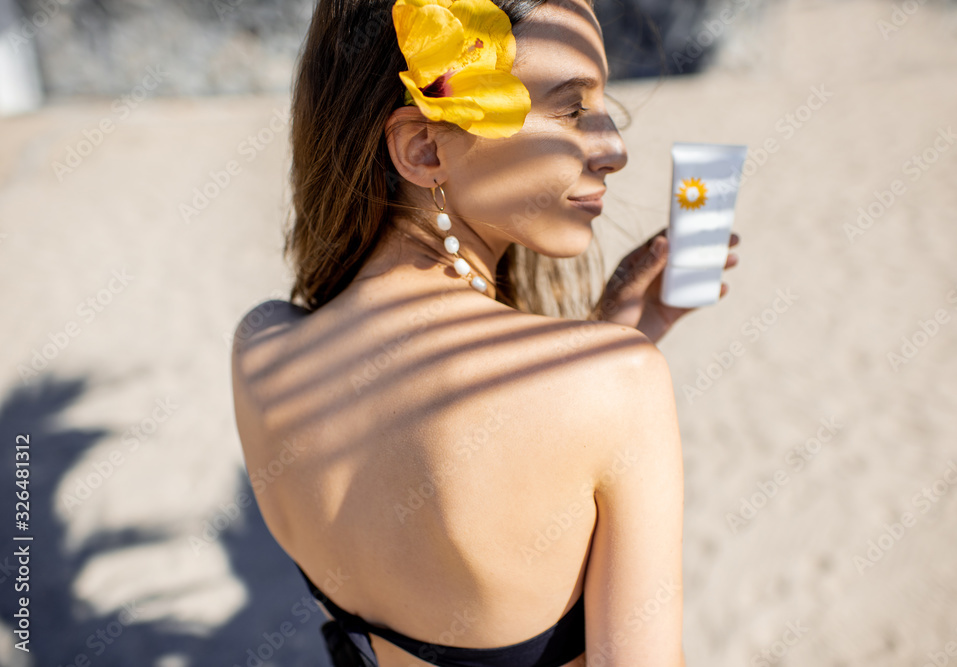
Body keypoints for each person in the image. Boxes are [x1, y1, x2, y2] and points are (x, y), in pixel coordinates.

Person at [230, 0, 739, 665]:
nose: (614, 148)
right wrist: (612, 359)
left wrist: (606, 336)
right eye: (571, 108)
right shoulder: (619, 382)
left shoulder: (263, 347)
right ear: (423, 147)